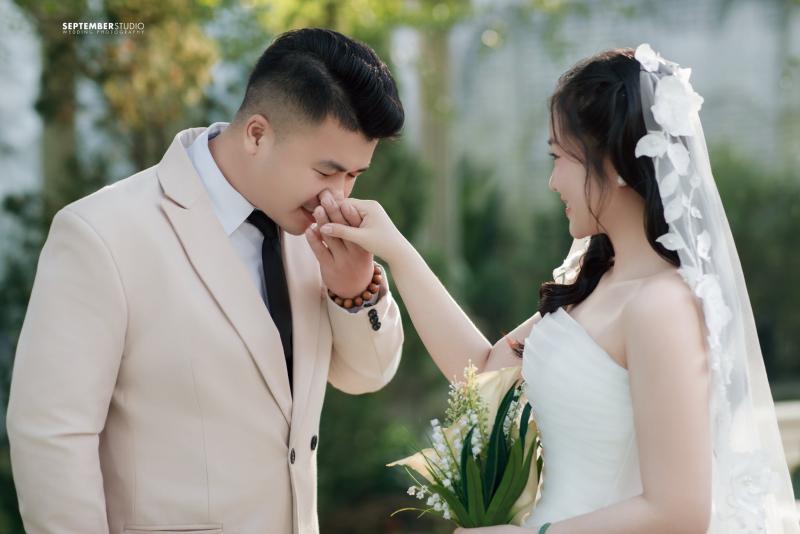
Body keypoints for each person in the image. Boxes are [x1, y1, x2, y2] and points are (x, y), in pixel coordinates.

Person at [319, 45, 799, 533]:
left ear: (612, 162)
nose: (551, 181)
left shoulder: (661, 305)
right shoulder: (596, 282)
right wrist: (396, 251)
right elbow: (482, 371)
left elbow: (678, 511)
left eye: (559, 156)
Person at [6, 28, 404, 534]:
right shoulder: (100, 234)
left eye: (354, 175)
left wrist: (355, 290)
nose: (338, 196)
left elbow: (367, 376)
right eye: (327, 171)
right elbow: (52, 436)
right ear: (257, 135)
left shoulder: (319, 235)